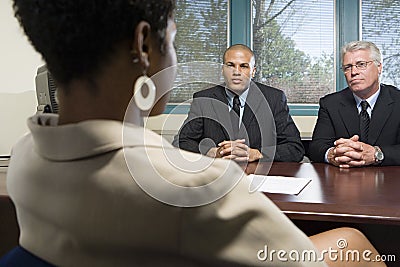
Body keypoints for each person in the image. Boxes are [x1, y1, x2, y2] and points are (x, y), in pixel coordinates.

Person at [5, 1, 385, 266]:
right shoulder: (199, 188)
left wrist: (252, 153)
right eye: (171, 40)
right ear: (143, 45)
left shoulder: (23, 160)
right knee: (352, 241)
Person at [172, 44, 305, 163]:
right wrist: (212, 152)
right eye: (230, 65)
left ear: (253, 71)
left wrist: (255, 153)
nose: (236, 72)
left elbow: (295, 148)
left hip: (259, 178)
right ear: (223, 70)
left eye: (243, 66)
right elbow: (180, 142)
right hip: (215, 178)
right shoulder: (203, 99)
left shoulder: (274, 99)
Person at [309, 40, 400, 167]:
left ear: (379, 67)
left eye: (361, 64)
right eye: (347, 67)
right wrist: (333, 154)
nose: (353, 72)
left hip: (390, 181)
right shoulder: (330, 104)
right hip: (344, 181)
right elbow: (316, 147)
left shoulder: (397, 100)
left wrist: (377, 154)